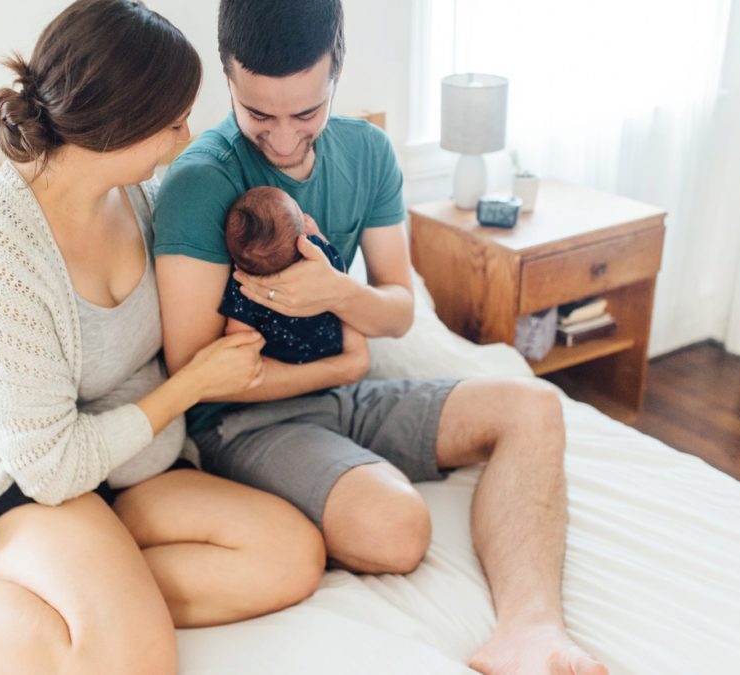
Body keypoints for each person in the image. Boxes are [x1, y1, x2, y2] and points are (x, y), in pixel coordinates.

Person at [0, 1, 325, 673]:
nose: (185, 134)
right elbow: (49, 466)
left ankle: (29, 598)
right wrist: (192, 386)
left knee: (289, 554)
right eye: (172, 120)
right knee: (131, 657)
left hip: (125, 463)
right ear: (119, 127)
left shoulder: (140, 195)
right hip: (20, 476)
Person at [153, 1, 609, 673]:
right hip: (250, 422)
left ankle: (530, 627)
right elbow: (197, 373)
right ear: (227, 75)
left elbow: (398, 308)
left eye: (305, 114)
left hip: (351, 392)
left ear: (337, 64)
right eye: (258, 115)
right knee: (400, 529)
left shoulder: (367, 152)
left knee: (533, 406)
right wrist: (345, 361)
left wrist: (340, 296)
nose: (282, 141)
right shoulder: (200, 182)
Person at [221, 185, 345, 364]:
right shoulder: (316, 255)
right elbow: (340, 271)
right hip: (330, 352)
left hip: (278, 364)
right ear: (302, 237)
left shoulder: (243, 283)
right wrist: (318, 235)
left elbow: (238, 330)